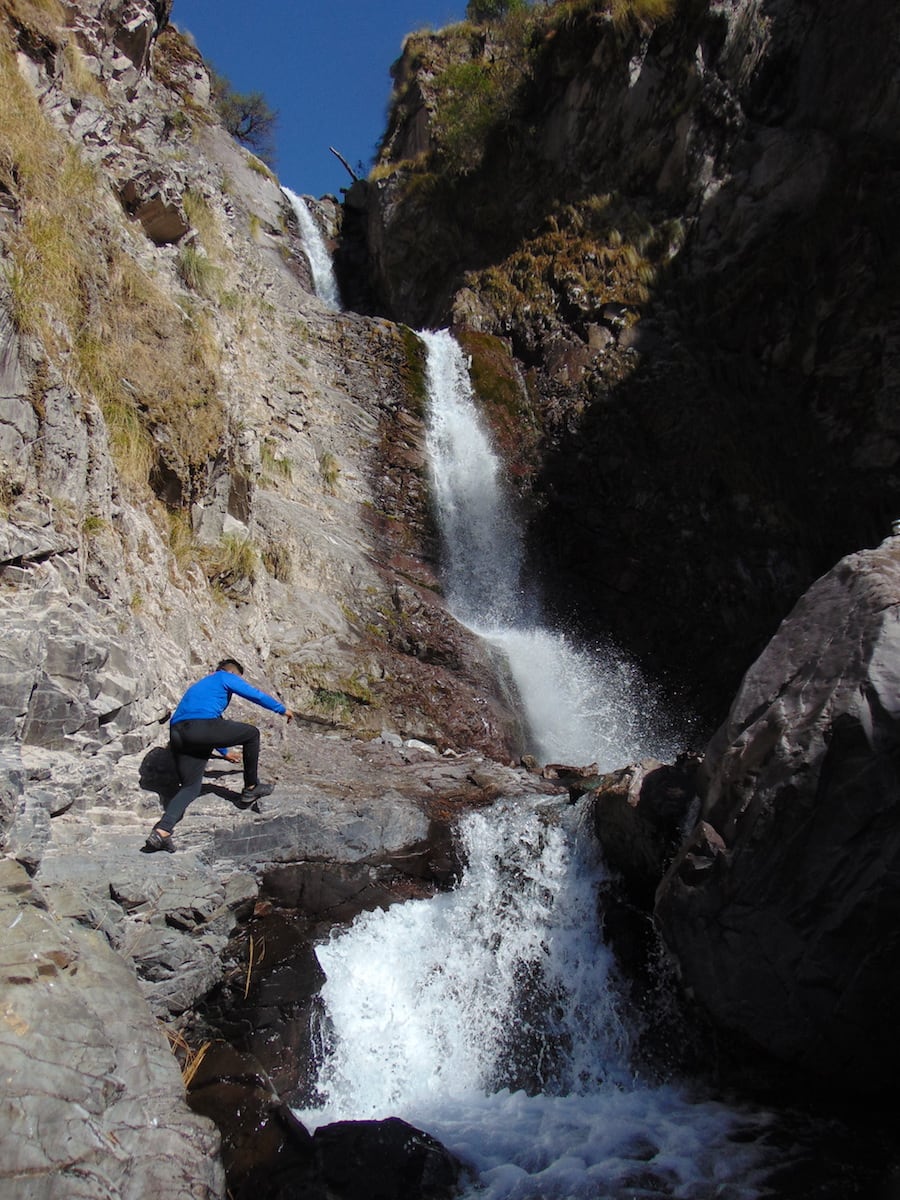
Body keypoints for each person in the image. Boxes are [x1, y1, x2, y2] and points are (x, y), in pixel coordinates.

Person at [144, 657, 293, 853]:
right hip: (200, 727)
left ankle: (162, 832)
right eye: (238, 678)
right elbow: (254, 694)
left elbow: (210, 721)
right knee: (252, 734)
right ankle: (251, 788)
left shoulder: (201, 685)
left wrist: (224, 753)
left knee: (190, 787)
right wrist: (281, 709)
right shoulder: (225, 676)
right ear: (232, 673)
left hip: (178, 733)